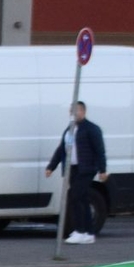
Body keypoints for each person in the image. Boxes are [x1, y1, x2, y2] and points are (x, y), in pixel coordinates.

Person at [45, 100, 108, 245]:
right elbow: (62, 149)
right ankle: (87, 232)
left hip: (86, 168)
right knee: (82, 199)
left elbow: (100, 150)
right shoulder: (70, 129)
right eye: (71, 111)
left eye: (77, 111)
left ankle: (81, 230)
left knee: (75, 196)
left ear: (83, 112)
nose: (73, 114)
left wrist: (102, 170)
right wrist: (51, 166)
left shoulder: (91, 129)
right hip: (72, 168)